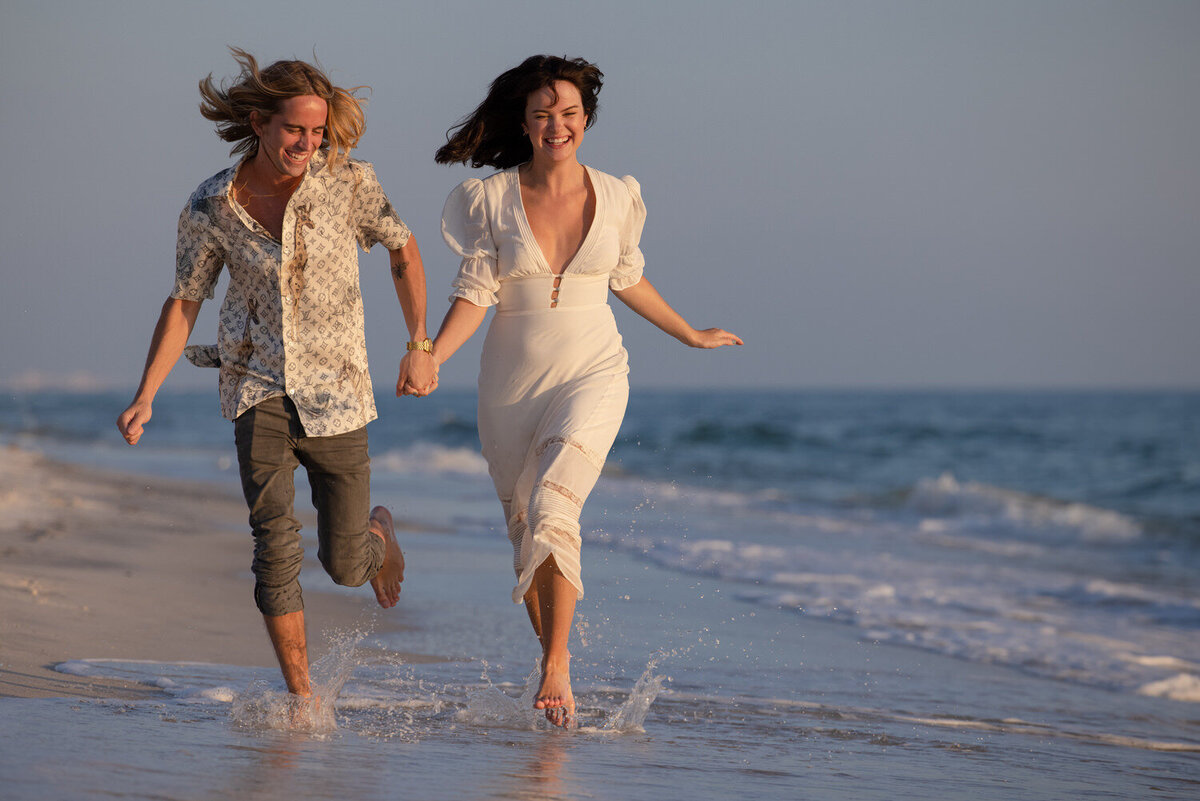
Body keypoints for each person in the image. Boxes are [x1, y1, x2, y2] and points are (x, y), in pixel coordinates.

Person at [423, 55, 742, 727]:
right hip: (509, 387)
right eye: (543, 114)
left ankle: (557, 662)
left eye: (569, 113)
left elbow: (625, 277)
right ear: (526, 122)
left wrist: (688, 332)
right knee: (526, 531)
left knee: (554, 506)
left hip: (594, 371)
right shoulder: (492, 200)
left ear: (586, 120)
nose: (556, 125)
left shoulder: (618, 197)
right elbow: (474, 292)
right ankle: (555, 674)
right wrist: (428, 353)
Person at [116, 49, 438, 702]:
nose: (308, 143)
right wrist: (145, 394)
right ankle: (303, 696)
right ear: (260, 122)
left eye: (317, 132)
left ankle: (381, 534)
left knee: (346, 565)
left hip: (339, 397)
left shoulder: (350, 182)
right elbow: (185, 301)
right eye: (297, 129)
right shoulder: (211, 204)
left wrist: (420, 342)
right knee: (273, 546)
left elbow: (402, 247)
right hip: (255, 387)